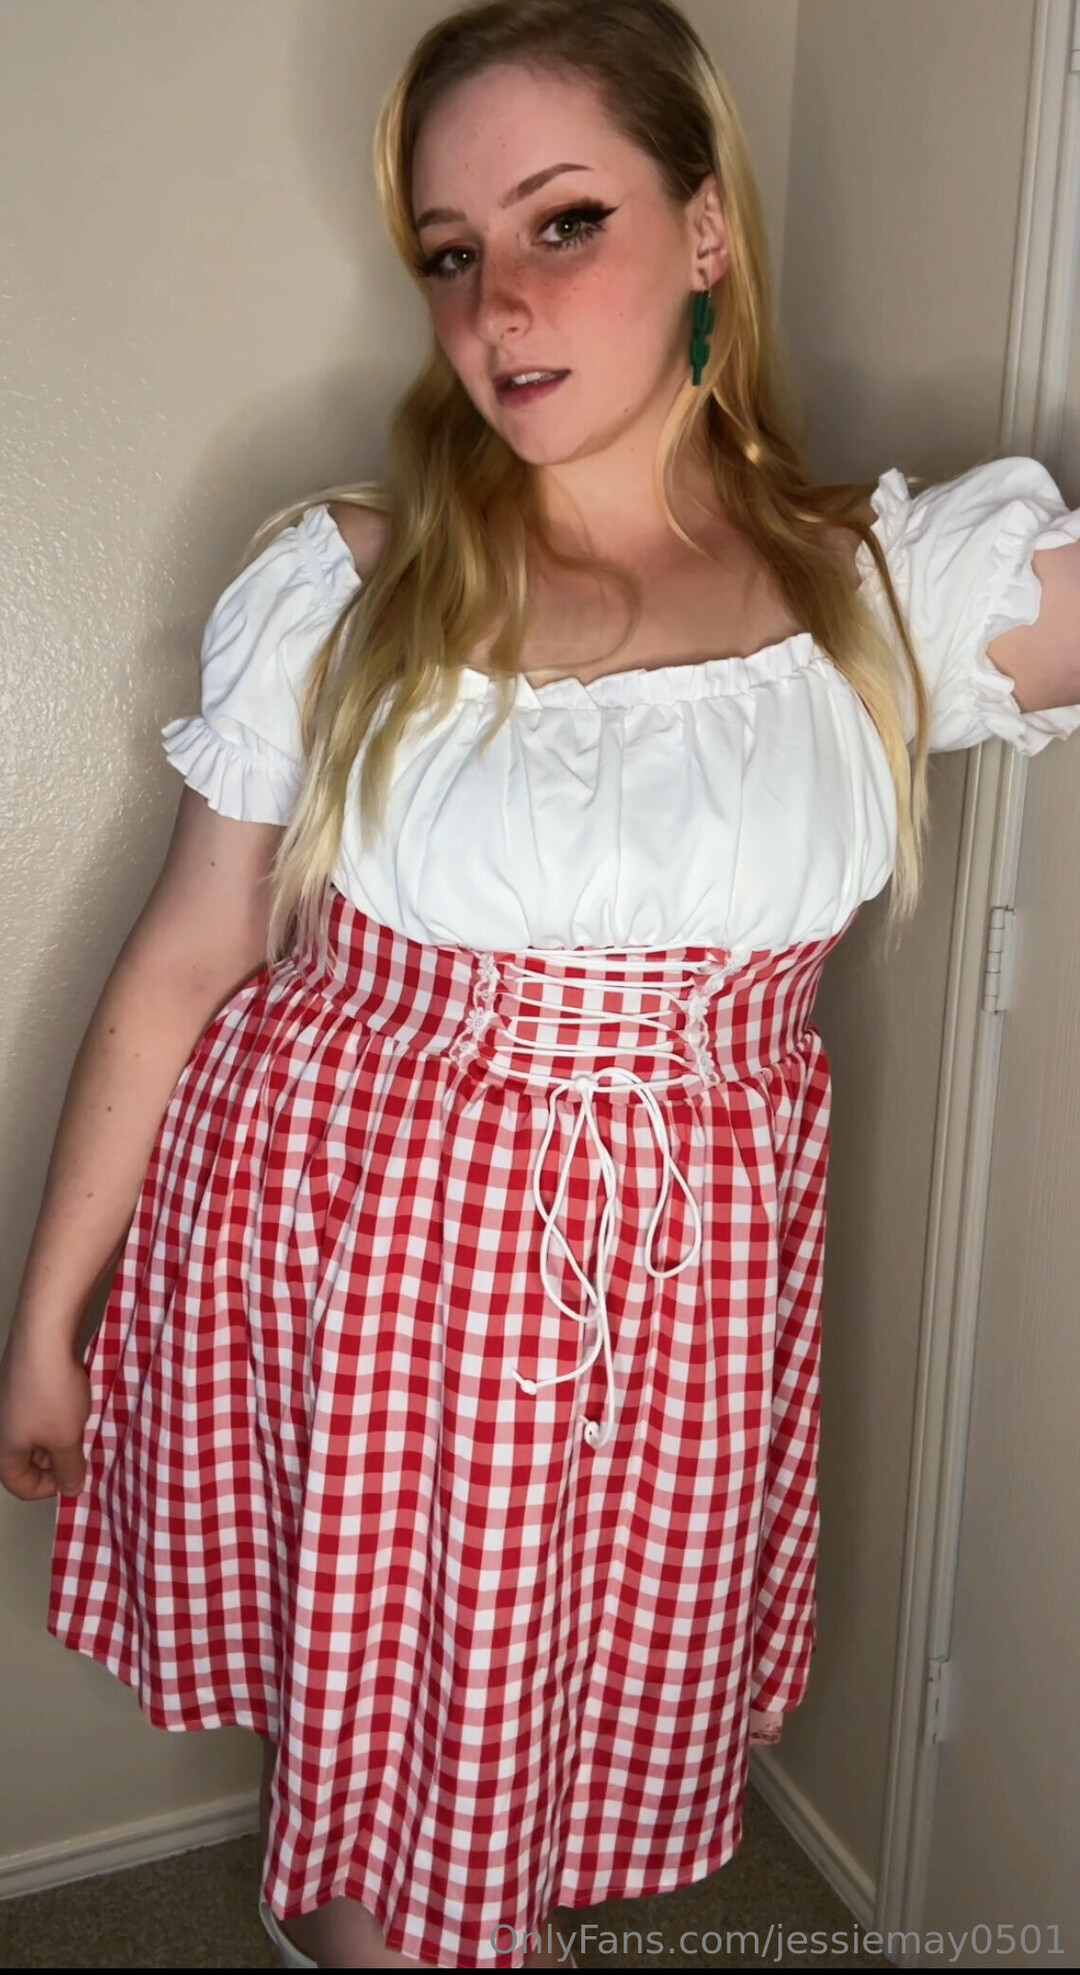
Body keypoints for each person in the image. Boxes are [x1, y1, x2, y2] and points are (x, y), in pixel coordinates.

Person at [4, 0, 1080, 1968]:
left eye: (563, 220)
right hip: (358, 1251)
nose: (496, 303)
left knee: (549, 1728)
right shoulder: (347, 584)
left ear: (704, 229)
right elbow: (193, 951)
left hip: (686, 1291)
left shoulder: (875, 594)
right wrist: (46, 1316)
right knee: (385, 1739)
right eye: (450, 250)